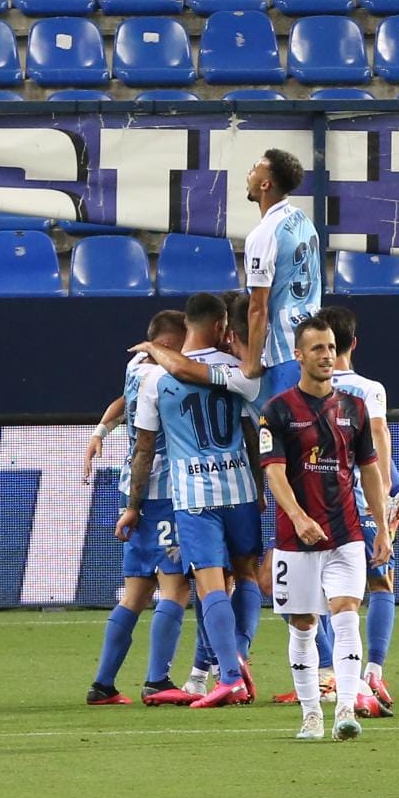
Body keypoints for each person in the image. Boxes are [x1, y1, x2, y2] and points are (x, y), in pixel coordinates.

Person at [119, 293, 264, 709]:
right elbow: (254, 432)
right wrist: (259, 486)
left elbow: (144, 450)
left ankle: (230, 676)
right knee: (247, 574)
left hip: (194, 495)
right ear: (221, 326)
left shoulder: (155, 379)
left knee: (208, 583)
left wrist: (134, 504)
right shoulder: (241, 370)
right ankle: (238, 647)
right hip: (239, 488)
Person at [260, 317, 390, 740]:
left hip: (347, 533)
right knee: (303, 624)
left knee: (347, 614)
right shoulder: (277, 411)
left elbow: (370, 472)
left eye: (331, 347)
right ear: (298, 355)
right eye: (317, 348)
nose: (327, 355)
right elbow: (274, 472)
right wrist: (299, 517)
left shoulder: (354, 409)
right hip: (294, 540)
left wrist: (383, 526)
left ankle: (346, 710)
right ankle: (311, 714)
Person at [83, 309, 204, 707]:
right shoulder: (161, 378)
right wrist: (135, 507)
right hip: (160, 497)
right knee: (176, 585)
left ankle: (103, 685)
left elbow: (122, 400)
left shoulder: (137, 364)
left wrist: (101, 430)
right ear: (169, 345)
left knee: (136, 590)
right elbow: (147, 449)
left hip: (132, 494)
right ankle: (158, 681)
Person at [319, 304, 399, 714]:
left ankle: (330, 674)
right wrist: (393, 495)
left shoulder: (305, 388)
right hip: (364, 506)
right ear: (354, 343)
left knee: (323, 597)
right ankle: (372, 670)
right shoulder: (369, 389)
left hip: (322, 505)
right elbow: (375, 442)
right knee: (381, 586)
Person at [239, 149, 321, 395]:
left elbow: (258, 307)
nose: (249, 173)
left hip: (285, 352)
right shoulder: (303, 220)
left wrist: (252, 364)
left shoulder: (263, 235)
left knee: (286, 431)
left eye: (255, 168)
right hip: (314, 341)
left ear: (265, 184)